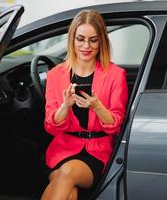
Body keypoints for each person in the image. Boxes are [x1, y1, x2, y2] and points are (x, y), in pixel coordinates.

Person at [41, 9, 128, 200]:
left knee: (66, 174)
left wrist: (97, 106)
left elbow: (116, 126)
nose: (86, 45)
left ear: (101, 41)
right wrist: (65, 106)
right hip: (63, 150)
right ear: (72, 39)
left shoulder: (115, 75)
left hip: (97, 152)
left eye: (93, 40)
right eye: (80, 39)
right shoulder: (56, 75)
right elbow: (50, 126)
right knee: (69, 191)